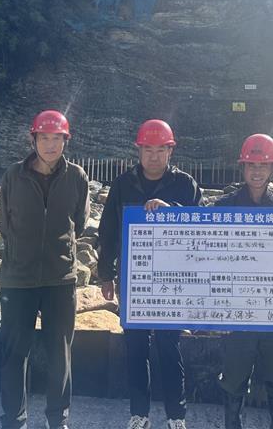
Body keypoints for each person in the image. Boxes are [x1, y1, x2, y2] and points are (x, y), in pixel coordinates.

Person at [97, 119, 202, 429]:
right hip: (134, 280)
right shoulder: (123, 184)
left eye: (160, 150)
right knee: (136, 348)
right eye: (148, 150)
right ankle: (139, 413)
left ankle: (176, 416)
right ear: (138, 150)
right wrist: (106, 274)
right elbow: (108, 231)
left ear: (170, 151)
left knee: (170, 347)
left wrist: (171, 209)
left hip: (173, 281)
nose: (154, 156)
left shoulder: (185, 184)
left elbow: (202, 225)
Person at [0, 110, 90, 429]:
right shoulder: (13, 175)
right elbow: (5, 224)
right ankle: (13, 420)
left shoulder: (77, 177)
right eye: (44, 138)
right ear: (33, 139)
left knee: (59, 354)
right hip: (17, 279)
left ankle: (57, 418)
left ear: (66, 141)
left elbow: (80, 222)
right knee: (14, 355)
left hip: (60, 279)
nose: (50, 145)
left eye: (57, 139)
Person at [215, 134, 273, 429]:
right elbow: (199, 240)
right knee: (234, 375)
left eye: (263, 165)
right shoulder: (224, 207)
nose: (257, 171)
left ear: (272, 168)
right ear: (243, 167)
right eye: (252, 165)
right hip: (237, 309)